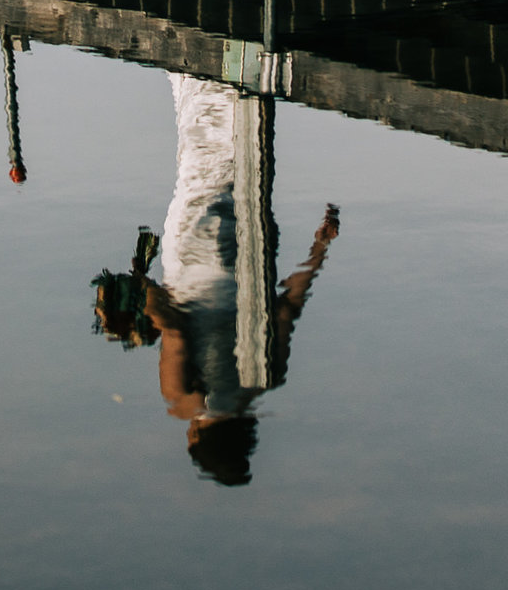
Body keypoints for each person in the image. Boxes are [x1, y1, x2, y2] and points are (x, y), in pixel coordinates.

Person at [92, 75, 340, 487]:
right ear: (197, 437)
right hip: (195, 252)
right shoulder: (184, 400)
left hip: (254, 242)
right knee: (200, 155)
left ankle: (244, 79)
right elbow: (174, 327)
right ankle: (207, 66)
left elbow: (287, 307)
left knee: (238, 158)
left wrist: (319, 248)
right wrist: (140, 287)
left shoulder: (267, 376)